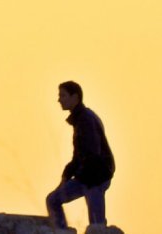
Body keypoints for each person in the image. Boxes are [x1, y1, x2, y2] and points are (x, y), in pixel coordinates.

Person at [46, 80, 115, 228]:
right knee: (53, 200)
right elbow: (78, 156)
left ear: (75, 97)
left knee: (97, 225)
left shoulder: (86, 119)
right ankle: (61, 231)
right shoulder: (80, 119)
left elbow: (92, 154)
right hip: (86, 177)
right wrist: (67, 175)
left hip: (95, 179)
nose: (59, 100)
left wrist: (80, 175)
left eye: (63, 95)